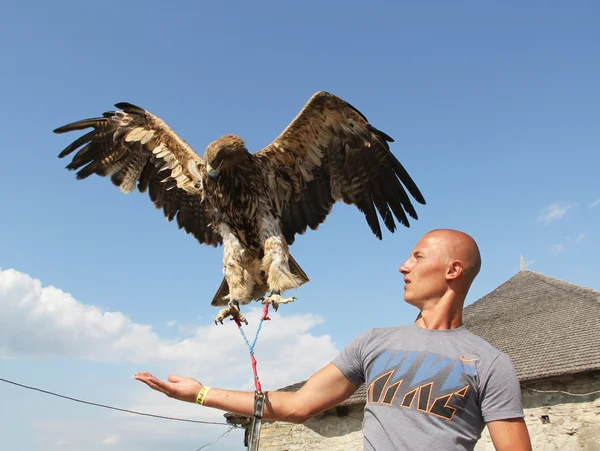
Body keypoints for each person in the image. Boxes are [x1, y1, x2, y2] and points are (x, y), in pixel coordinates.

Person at [135, 229, 532, 450]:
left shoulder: (489, 363)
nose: (403, 266)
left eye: (418, 256)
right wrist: (201, 394)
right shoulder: (375, 344)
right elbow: (296, 404)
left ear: (453, 269)